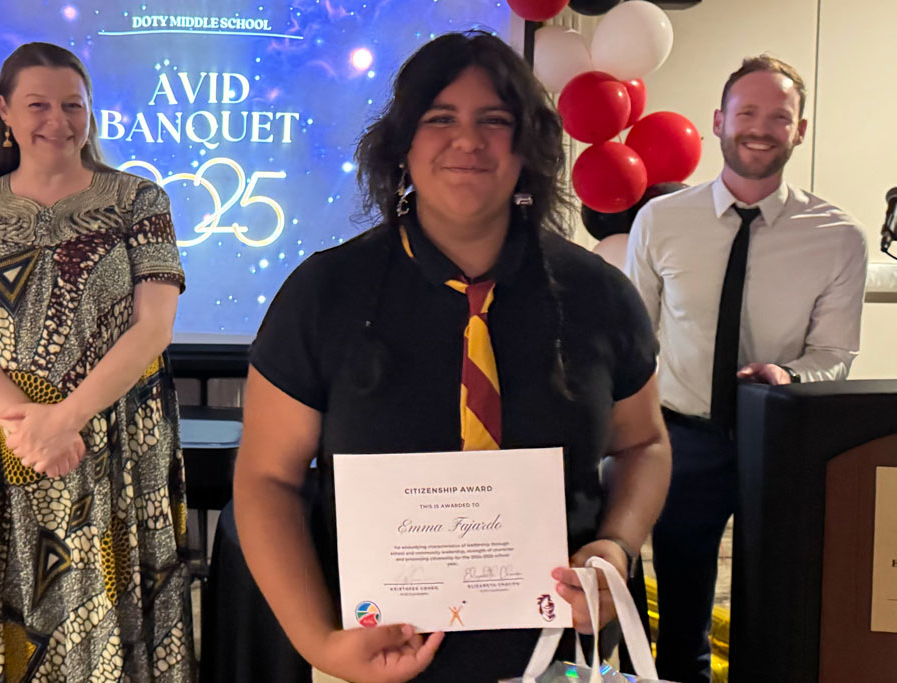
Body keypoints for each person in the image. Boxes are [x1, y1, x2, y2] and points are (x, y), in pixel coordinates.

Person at [233, 31, 671, 682]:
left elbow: (645, 444)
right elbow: (267, 478)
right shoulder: (323, 294)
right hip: (375, 658)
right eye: (440, 118)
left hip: (558, 657)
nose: (468, 141)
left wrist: (618, 545)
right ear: (402, 147)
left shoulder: (599, 295)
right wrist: (320, 642)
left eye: (494, 121)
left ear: (527, 148)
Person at [0, 42, 195, 681]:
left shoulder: (139, 201)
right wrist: (29, 428)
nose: (58, 120)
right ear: (5, 112)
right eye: (38, 105)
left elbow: (154, 327)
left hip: (113, 444)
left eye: (73, 105)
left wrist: (65, 418)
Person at [626, 55, 868, 683]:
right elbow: (634, 341)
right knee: (682, 614)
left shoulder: (838, 237)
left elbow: (835, 355)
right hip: (682, 441)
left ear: (800, 130)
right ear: (718, 121)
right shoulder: (660, 221)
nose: (761, 128)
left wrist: (790, 377)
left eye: (779, 117)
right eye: (747, 113)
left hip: (783, 444)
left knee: (780, 607)